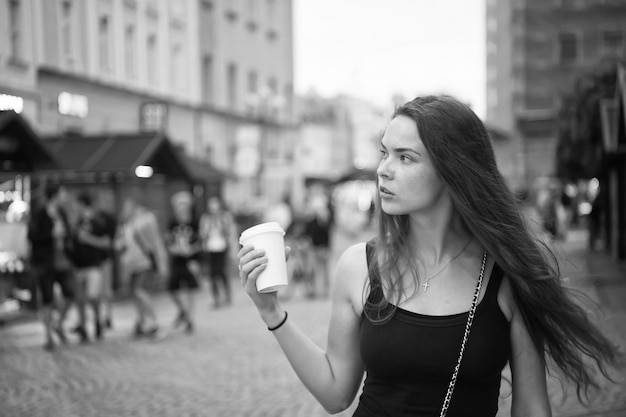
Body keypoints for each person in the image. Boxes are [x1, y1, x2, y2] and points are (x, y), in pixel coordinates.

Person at [237, 96, 621, 416]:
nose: (384, 170)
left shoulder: (508, 273)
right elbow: (336, 393)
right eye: (384, 153)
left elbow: (533, 408)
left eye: (405, 158)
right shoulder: (359, 267)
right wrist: (272, 313)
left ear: (452, 170)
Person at [27, 184, 75, 351]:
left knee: (70, 292)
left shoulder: (61, 212)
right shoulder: (40, 213)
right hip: (45, 262)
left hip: (62, 260)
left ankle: (58, 323)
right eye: (62, 192)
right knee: (47, 298)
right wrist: (51, 235)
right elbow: (31, 236)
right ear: (55, 194)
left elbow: (68, 231)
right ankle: (48, 336)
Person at [116, 196, 168, 338]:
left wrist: (162, 262)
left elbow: (155, 242)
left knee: (140, 291)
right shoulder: (127, 225)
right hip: (132, 264)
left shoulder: (144, 221)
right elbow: (121, 244)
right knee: (135, 293)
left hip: (144, 263)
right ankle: (141, 322)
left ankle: (153, 322)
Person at [71, 191, 111, 342]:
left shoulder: (97, 221)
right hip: (79, 266)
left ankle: (97, 321)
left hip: (94, 265)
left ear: (82, 204)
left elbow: (106, 243)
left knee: (92, 297)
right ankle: (83, 328)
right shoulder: (76, 223)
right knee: (80, 299)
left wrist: (88, 239)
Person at [165, 191, 200, 333]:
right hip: (177, 259)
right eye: (179, 205)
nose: (182, 208)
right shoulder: (172, 223)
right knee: (172, 288)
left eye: (184, 205)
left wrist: (192, 251)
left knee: (190, 289)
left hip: (191, 260)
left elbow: (201, 241)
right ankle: (183, 311)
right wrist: (173, 249)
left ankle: (189, 319)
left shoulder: (194, 222)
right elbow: (167, 240)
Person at [199, 196, 235, 308]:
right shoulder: (205, 218)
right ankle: (216, 298)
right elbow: (202, 233)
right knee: (212, 274)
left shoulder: (224, 217)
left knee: (222, 272)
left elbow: (229, 231)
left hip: (222, 247)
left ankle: (227, 296)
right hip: (210, 248)